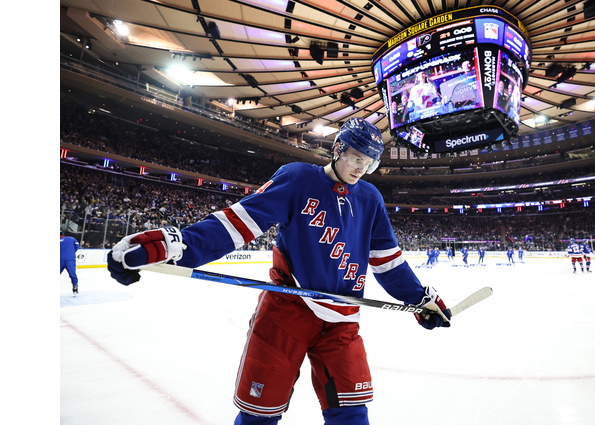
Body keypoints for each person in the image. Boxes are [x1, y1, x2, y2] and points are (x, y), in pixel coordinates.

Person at [106, 117, 452, 425]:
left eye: (369, 162)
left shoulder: (371, 199)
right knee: (259, 414)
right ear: (338, 149)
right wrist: (173, 246)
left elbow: (388, 263)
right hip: (287, 312)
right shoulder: (298, 179)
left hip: (343, 321)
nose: (361, 168)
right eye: (356, 157)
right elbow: (236, 225)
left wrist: (420, 298)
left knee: (352, 413)